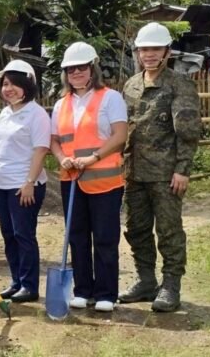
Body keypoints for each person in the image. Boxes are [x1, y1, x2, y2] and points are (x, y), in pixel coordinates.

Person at [119, 22, 201, 312]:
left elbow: (188, 132)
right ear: (138, 52)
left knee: (169, 231)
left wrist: (183, 169)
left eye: (155, 48)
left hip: (166, 174)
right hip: (133, 172)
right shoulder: (131, 85)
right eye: (144, 49)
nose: (149, 54)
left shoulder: (179, 84)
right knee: (136, 228)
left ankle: (170, 285)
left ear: (167, 51)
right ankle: (145, 281)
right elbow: (124, 128)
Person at [49, 42, 127, 312]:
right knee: (77, 236)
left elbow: (119, 136)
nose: (76, 73)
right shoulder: (61, 104)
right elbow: (55, 140)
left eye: (81, 67)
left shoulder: (110, 98)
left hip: (104, 180)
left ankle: (107, 293)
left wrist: (93, 158)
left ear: (92, 69)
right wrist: (62, 159)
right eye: (71, 69)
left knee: (105, 237)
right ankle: (83, 289)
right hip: (71, 179)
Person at [0, 60, 50, 303]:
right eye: (5, 84)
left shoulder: (36, 114)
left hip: (24, 184)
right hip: (1, 183)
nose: (9, 89)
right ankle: (16, 281)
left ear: (27, 85)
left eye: (15, 84)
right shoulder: (6, 112)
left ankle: (29, 285)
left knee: (23, 234)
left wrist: (29, 182)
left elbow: (40, 150)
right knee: (8, 234)